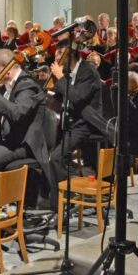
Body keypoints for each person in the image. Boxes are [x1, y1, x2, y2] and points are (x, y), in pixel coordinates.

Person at [0, 49, 53, 194]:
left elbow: (17, 114)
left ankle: (6, 198)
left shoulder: (27, 85)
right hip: (7, 138)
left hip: (22, 143)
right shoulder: (7, 85)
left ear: (7, 70)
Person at [49, 39, 103, 194]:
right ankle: (56, 196)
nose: (56, 57)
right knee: (48, 152)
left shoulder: (88, 71)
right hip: (70, 119)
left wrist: (60, 78)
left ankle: (77, 190)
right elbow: (62, 95)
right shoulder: (69, 72)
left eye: (59, 53)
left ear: (69, 53)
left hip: (86, 122)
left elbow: (78, 97)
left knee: (56, 158)